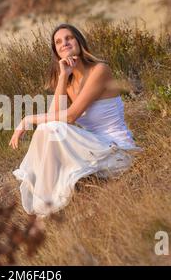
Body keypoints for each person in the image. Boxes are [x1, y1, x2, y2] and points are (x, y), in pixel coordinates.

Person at [9, 23, 142, 217]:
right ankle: (47, 203)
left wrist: (28, 119)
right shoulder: (68, 80)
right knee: (47, 130)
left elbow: (70, 116)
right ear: (56, 51)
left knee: (51, 129)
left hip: (117, 152)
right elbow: (53, 119)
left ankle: (46, 204)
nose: (64, 43)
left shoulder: (100, 70)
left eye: (69, 38)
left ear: (79, 41)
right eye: (58, 42)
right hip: (94, 149)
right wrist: (63, 76)